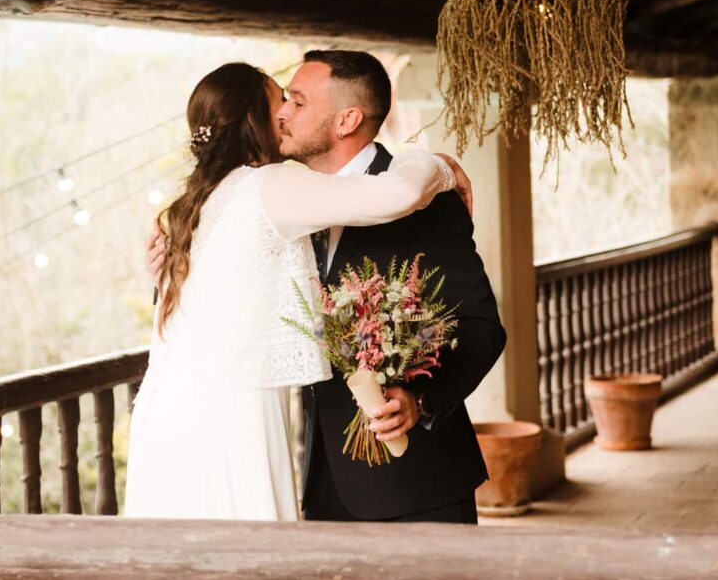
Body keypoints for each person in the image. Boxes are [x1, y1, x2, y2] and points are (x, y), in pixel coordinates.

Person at [124, 61, 471, 522]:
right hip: (233, 416)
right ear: (255, 121)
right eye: (279, 100)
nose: (287, 111)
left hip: (165, 421)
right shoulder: (269, 185)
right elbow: (397, 195)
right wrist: (437, 164)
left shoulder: (191, 207)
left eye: (295, 100)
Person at [275, 50, 507, 524]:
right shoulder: (287, 201)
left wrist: (420, 398)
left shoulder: (424, 200)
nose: (283, 112)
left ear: (347, 119)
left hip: (415, 481)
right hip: (320, 484)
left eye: (297, 102)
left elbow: (482, 325)